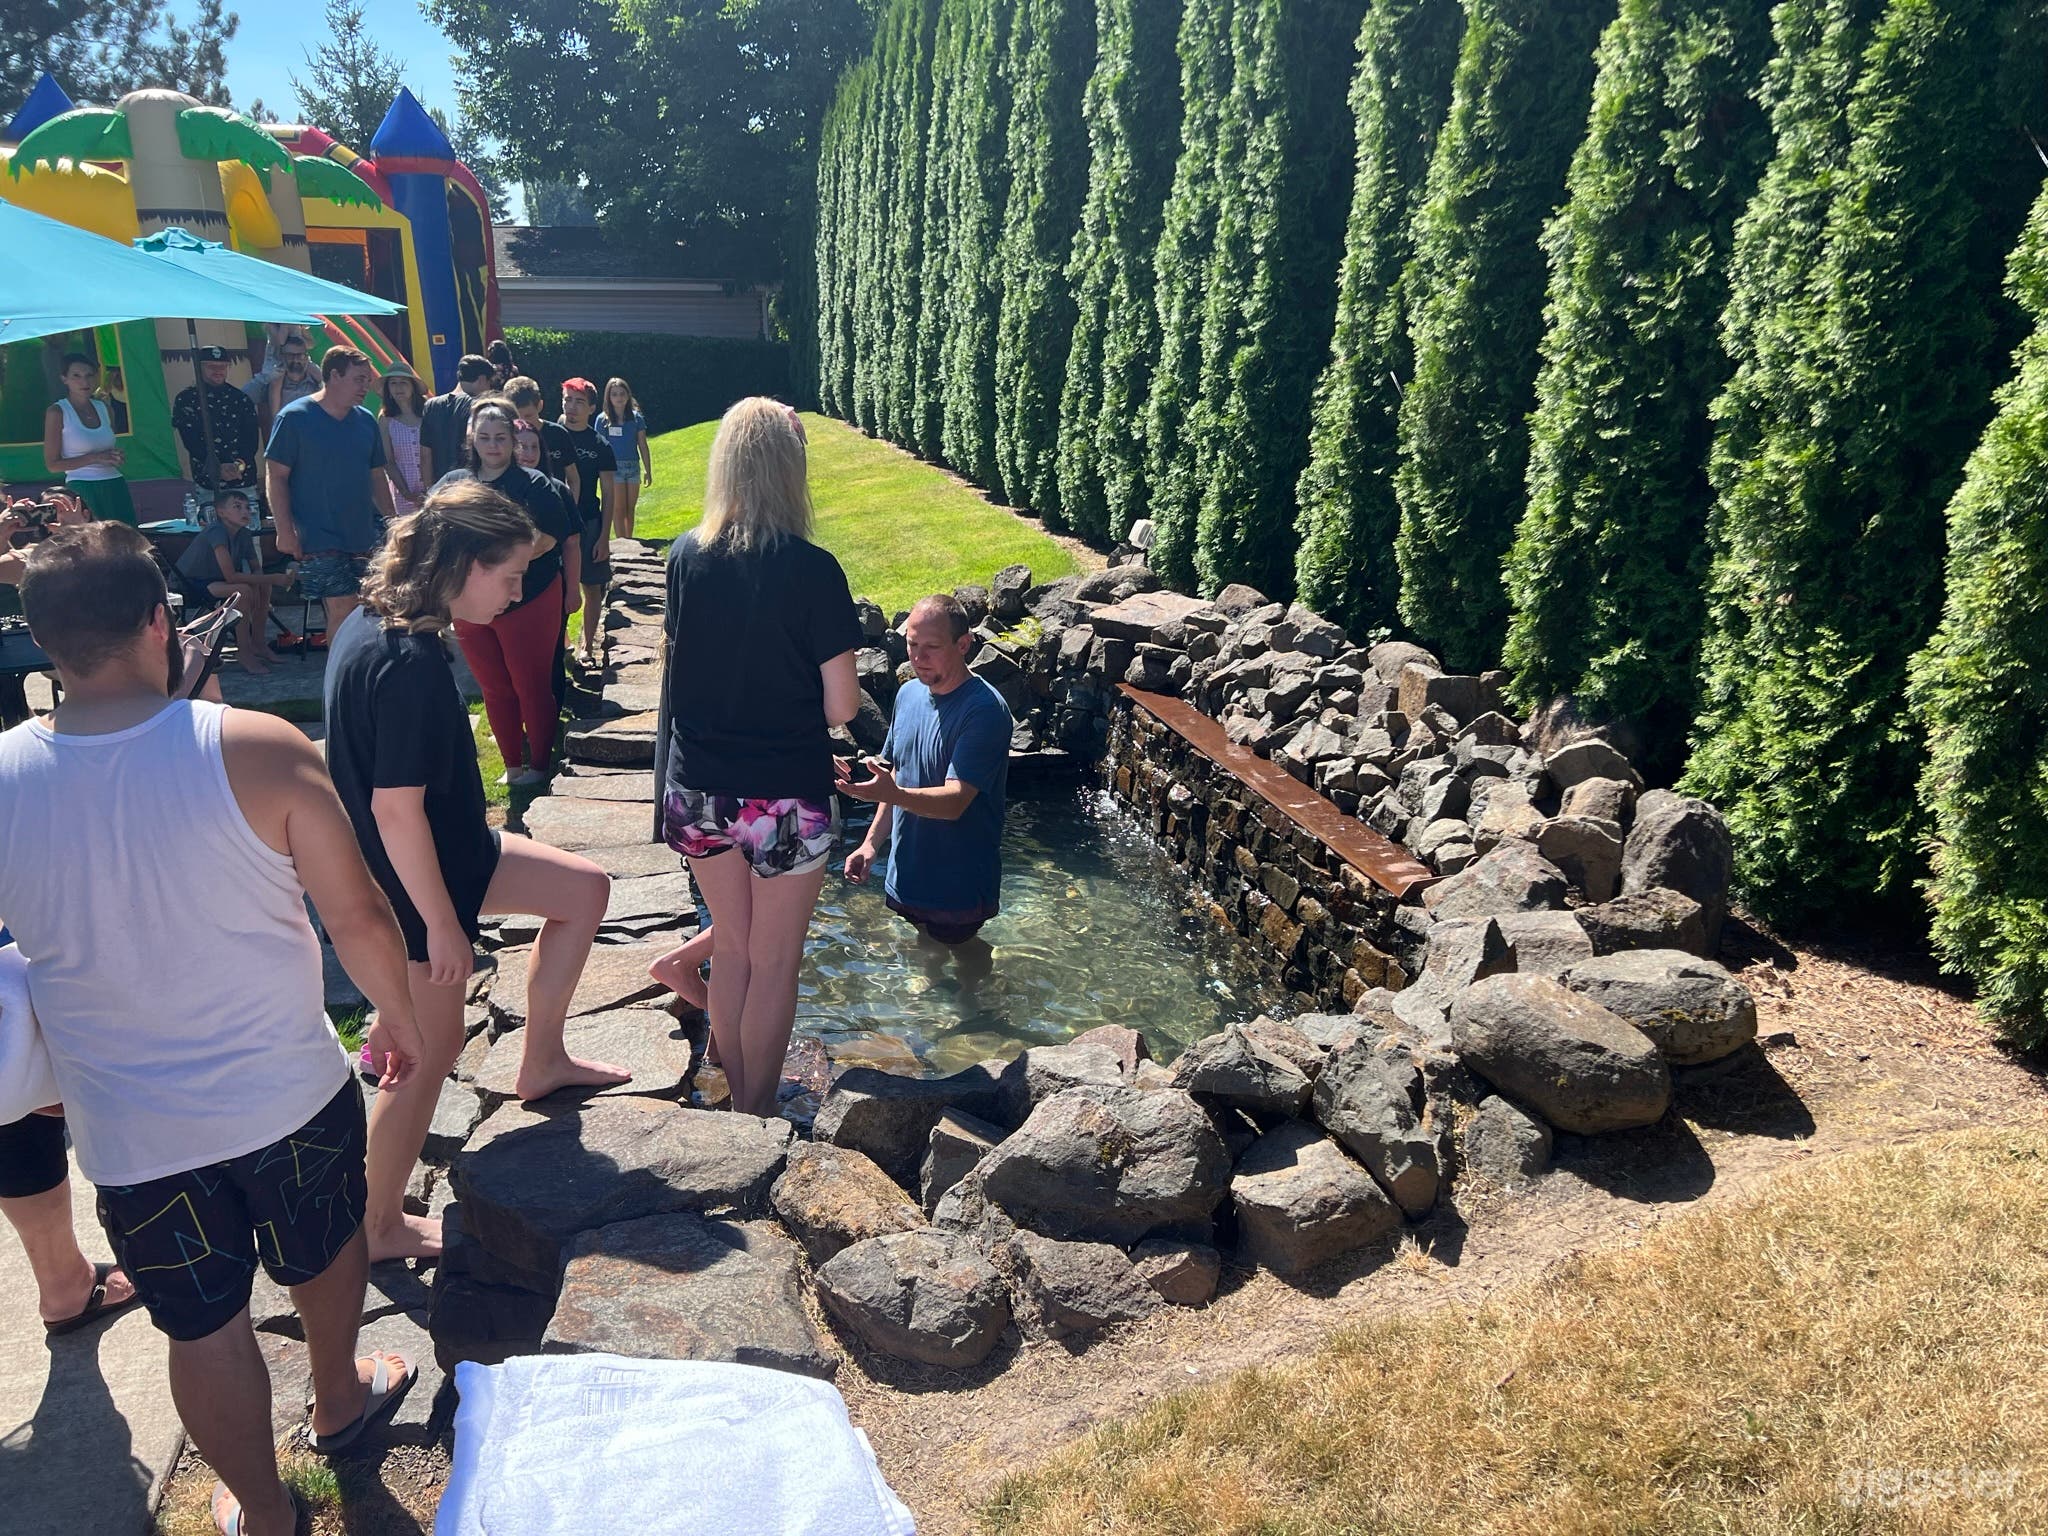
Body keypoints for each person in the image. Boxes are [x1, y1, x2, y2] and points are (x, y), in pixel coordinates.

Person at [0, 522, 429, 1536]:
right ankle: (337, 1401)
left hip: (131, 1133)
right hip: (286, 1092)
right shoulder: (257, 748)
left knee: (202, 1325)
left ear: (40, 641)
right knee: (322, 1251)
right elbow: (359, 916)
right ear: (160, 621)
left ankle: (265, 1512)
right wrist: (398, 1021)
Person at [324, 481, 627, 1261]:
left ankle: (543, 1059)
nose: (520, 594)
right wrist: (440, 926)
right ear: (459, 561)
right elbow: (396, 813)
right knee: (425, 1052)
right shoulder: (410, 661)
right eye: (510, 576)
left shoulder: (367, 620)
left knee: (585, 891)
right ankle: (377, 1224)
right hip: (415, 884)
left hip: (456, 853)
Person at [658, 399, 860, 1118]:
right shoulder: (813, 570)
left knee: (736, 954)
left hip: (700, 791)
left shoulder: (683, 556)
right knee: (774, 964)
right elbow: (841, 707)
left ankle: (738, 1104)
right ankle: (754, 1115)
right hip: (785, 797)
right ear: (789, 470)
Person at [840, 593, 1013, 959]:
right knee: (926, 952)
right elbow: (898, 775)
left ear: (963, 644)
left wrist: (893, 794)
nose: (917, 658)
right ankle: (931, 1012)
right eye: (912, 645)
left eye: (931, 647)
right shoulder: (907, 695)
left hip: (958, 887)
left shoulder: (984, 711)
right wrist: (872, 844)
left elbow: (954, 802)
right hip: (908, 877)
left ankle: (978, 1014)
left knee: (968, 961)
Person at [436, 401, 580, 785]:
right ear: (471, 437)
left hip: (528, 599)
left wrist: (488, 565)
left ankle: (537, 767)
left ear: (515, 440)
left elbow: (549, 540)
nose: (492, 445)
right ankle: (512, 764)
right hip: (468, 606)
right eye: (484, 437)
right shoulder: (454, 484)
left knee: (530, 685)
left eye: (500, 437)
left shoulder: (534, 484)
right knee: (494, 688)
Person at [265, 346, 395, 643]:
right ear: (334, 375)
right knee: (343, 609)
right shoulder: (294, 418)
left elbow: (376, 475)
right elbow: (277, 477)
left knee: (370, 608)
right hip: (318, 535)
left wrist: (393, 523)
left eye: (367, 380)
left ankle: (363, 672)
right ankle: (342, 681)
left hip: (362, 532)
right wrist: (285, 531)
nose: (366, 387)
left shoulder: (365, 421)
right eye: (359, 379)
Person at [171, 488, 292, 675]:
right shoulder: (216, 531)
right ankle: (243, 652)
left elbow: (255, 568)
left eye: (247, 507)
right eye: (237, 507)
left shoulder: (243, 533)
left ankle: (259, 644)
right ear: (221, 512)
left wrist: (264, 585)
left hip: (216, 581)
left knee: (262, 585)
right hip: (190, 583)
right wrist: (275, 578)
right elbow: (231, 577)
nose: (246, 512)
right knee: (242, 591)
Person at [558, 378, 617, 668]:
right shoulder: (550, 436)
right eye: (567, 400)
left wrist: (605, 536)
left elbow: (608, 493)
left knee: (591, 587)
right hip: (554, 526)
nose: (571, 407)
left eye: (579, 402)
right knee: (555, 589)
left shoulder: (600, 445)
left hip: (589, 523)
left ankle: (587, 646)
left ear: (592, 408)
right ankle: (561, 644)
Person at [42, 352, 136, 525]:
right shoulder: (57, 411)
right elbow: (53, 465)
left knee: (127, 542)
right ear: (64, 379)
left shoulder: (105, 408)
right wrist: (96, 457)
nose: (84, 382)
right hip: (82, 486)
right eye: (76, 376)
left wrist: (115, 457)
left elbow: (106, 447)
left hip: (114, 483)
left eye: (89, 375)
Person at [172, 345, 260, 510]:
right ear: (200, 367)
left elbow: (251, 439)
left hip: (242, 480)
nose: (218, 370)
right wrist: (218, 468)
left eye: (222, 366)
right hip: (209, 484)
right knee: (214, 533)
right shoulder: (187, 400)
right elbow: (191, 442)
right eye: (211, 366)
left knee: (249, 530)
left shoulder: (240, 399)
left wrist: (238, 465)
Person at [418, 354, 496, 487]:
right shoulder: (480, 406)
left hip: (440, 486)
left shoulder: (431, 405)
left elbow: (425, 455)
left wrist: (429, 490)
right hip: (469, 485)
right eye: (490, 383)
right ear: (483, 379)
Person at [505, 376, 577, 497]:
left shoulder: (558, 434)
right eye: (517, 417)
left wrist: (569, 506)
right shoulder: (505, 437)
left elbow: (573, 478)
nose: (524, 422)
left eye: (528, 416)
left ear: (540, 406)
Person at [598, 377, 651, 540]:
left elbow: (642, 445)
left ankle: (630, 540)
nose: (619, 398)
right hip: (614, 468)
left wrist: (648, 471)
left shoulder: (636, 418)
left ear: (628, 396)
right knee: (618, 508)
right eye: (614, 394)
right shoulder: (603, 420)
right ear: (609, 397)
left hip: (633, 466)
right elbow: (599, 447)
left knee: (630, 508)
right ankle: (622, 543)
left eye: (622, 394)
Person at [379, 367, 429, 517]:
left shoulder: (428, 411)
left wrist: (430, 487)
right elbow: (388, 460)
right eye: (393, 383)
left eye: (403, 382)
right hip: (404, 488)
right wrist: (406, 492)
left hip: (433, 486)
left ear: (413, 386)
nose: (398, 388)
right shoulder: (386, 418)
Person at [265, 332, 320, 425]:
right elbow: (275, 419)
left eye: (300, 355)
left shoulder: (315, 380)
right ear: (283, 357)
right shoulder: (276, 383)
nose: (296, 360)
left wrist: (320, 379)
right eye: (290, 356)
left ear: (306, 358)